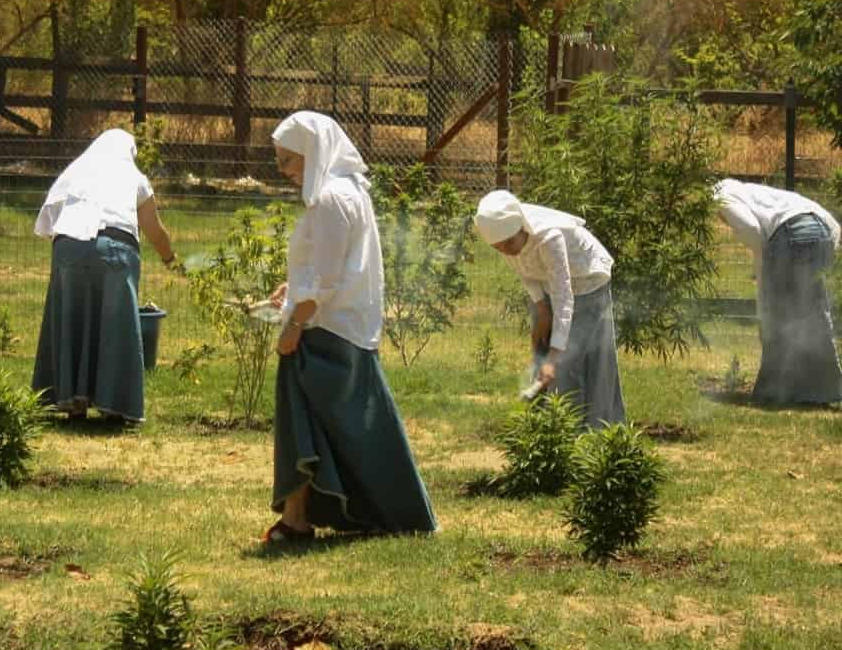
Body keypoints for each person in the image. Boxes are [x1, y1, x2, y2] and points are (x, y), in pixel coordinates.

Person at [263, 110, 437, 544]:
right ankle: (296, 519)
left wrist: (295, 324)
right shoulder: (350, 189)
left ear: (312, 152)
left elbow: (326, 279)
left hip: (325, 329)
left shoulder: (329, 199)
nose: (284, 171)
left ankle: (308, 518)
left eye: (290, 160)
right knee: (323, 425)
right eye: (281, 161)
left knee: (311, 425)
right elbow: (332, 263)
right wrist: (294, 286)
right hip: (341, 323)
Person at [32, 128, 177, 422]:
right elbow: (155, 230)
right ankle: (116, 407)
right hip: (114, 250)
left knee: (71, 318)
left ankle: (72, 402)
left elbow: (51, 216)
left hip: (68, 249)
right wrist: (170, 259)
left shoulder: (76, 170)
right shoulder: (135, 178)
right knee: (116, 326)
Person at [475, 190, 625, 430]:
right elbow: (524, 269)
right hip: (549, 283)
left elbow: (564, 297)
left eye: (508, 244)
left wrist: (554, 358)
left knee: (566, 363)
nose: (506, 251)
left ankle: (584, 437)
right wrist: (543, 310)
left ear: (522, 227)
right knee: (542, 353)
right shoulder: (508, 238)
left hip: (586, 280)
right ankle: (545, 431)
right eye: (498, 247)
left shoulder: (548, 237)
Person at [713, 178, 842, 405]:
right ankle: (823, 391)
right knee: (814, 316)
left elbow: (752, 232)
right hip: (825, 233)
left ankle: (774, 391)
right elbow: (832, 229)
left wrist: (765, 303)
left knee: (778, 317)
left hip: (791, 235)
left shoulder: (720, 195)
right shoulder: (763, 196)